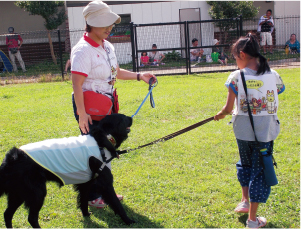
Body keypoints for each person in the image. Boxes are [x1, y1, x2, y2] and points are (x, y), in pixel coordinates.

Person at [71, 0, 156, 209]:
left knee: (107, 150)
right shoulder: (82, 50)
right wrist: (82, 114)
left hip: (106, 107)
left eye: (111, 24)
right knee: (94, 152)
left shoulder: (107, 46)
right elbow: (77, 85)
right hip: (89, 109)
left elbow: (116, 72)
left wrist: (139, 76)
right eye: (104, 24)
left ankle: (105, 191)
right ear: (90, 24)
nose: (110, 28)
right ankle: (91, 196)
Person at [214, 34, 285, 228]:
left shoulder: (236, 77)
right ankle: (252, 218)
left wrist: (220, 114)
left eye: (236, 57)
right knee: (259, 171)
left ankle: (247, 207)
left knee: (245, 165)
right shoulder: (274, 74)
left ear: (243, 55)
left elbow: (228, 109)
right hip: (266, 132)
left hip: (243, 132)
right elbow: (278, 91)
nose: (235, 61)